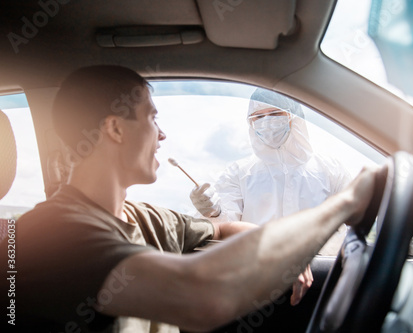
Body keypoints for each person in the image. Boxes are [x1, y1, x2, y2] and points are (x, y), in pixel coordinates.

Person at [0, 65, 381, 333]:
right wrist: (345, 204)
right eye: (152, 118)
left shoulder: (143, 216)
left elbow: (224, 225)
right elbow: (201, 298)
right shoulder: (51, 237)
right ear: (115, 128)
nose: (162, 135)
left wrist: (281, 250)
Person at [190, 88, 352, 253]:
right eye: (258, 116)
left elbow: (356, 219)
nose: (266, 121)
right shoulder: (239, 172)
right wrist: (213, 212)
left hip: (320, 270)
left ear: (294, 116)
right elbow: (222, 232)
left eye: (275, 113)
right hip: (258, 270)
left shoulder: (330, 169)